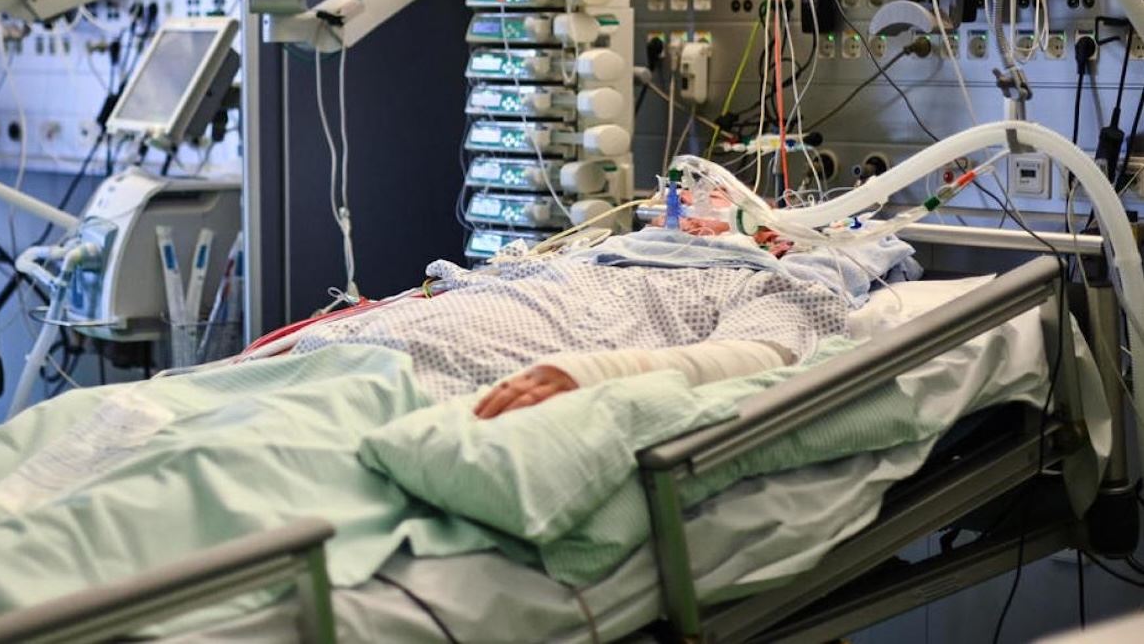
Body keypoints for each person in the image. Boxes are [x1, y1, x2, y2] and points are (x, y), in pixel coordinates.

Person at [288, 214, 916, 415]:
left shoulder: (770, 284)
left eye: (735, 217)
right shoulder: (598, 253)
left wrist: (591, 374)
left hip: (441, 387)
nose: (699, 218)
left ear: (779, 243)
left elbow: (760, 357)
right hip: (331, 359)